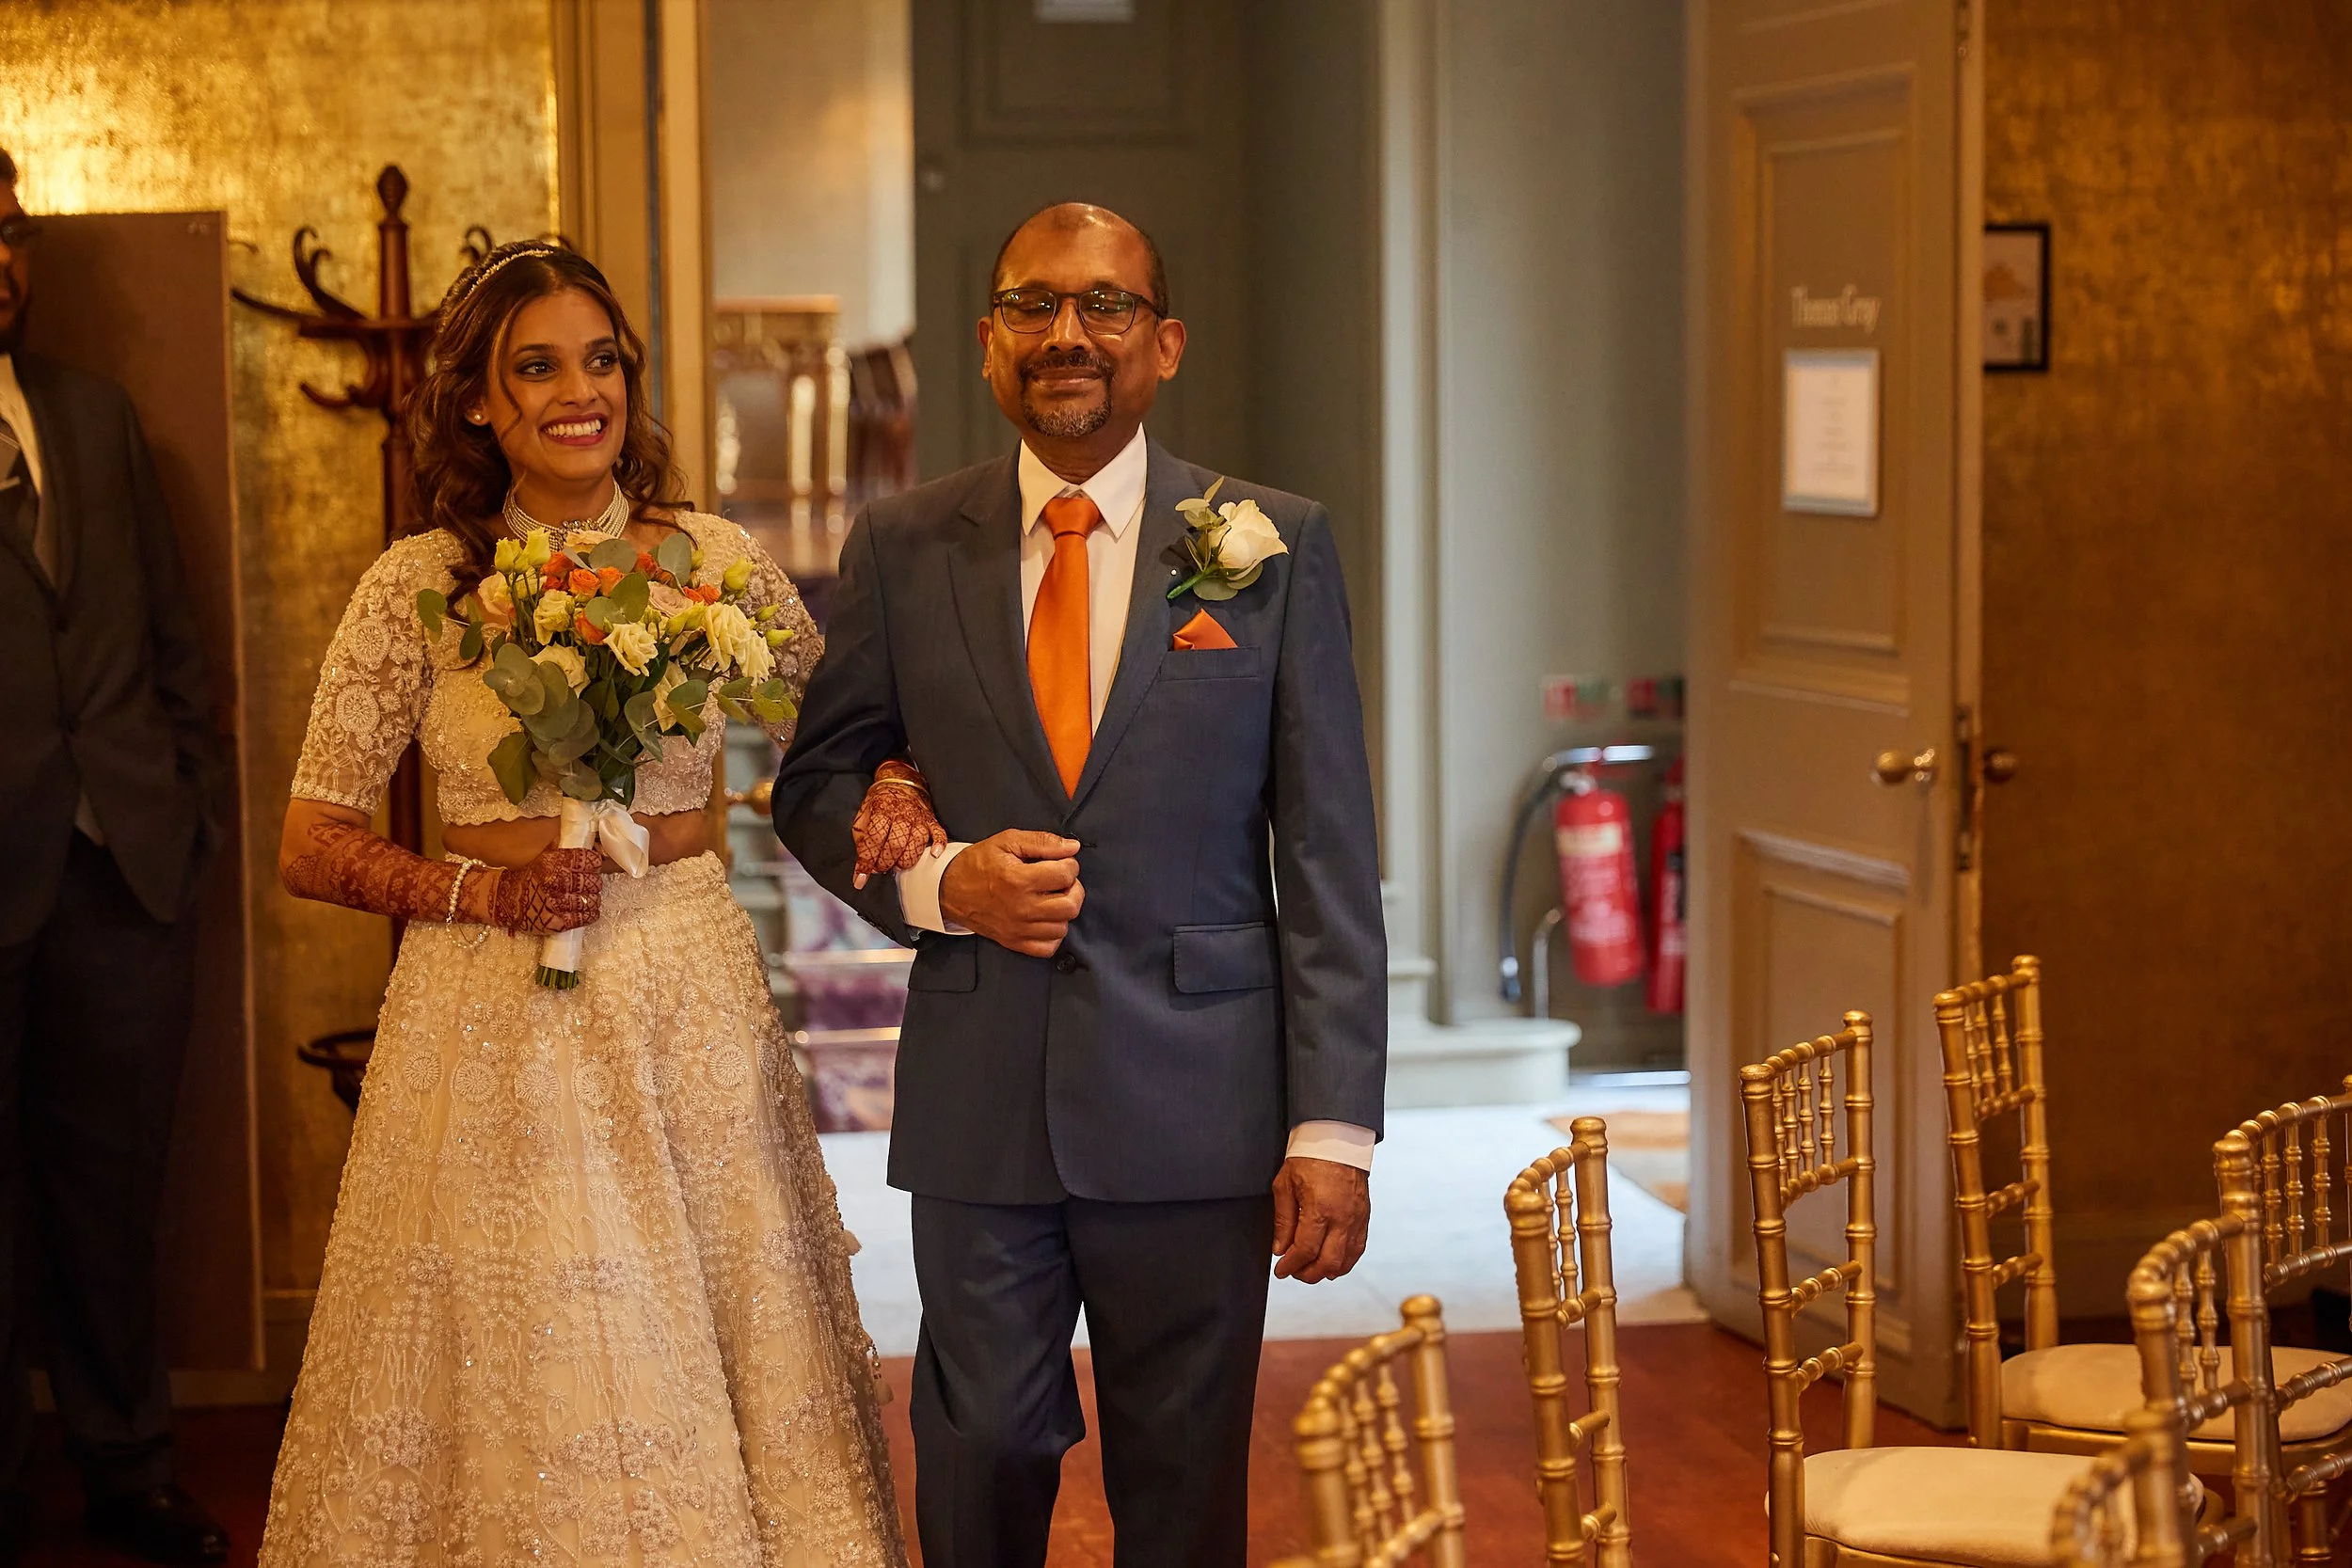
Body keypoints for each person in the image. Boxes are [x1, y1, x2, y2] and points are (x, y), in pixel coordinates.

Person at [262, 240, 931, 1568]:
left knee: (711, 1324)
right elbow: (310, 838)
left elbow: (848, 726)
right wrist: (482, 888)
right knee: (530, 1338)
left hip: (681, 982)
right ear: (479, 401)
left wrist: (899, 776)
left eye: (603, 359)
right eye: (538, 366)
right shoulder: (419, 586)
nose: (583, 391)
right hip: (485, 1008)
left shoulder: (712, 559)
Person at [774, 201, 1387, 1568]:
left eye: (1105, 306)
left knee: (1181, 1480)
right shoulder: (904, 546)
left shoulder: (1265, 544)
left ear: (1163, 344)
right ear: (989, 344)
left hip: (1201, 1099)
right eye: (1034, 306)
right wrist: (943, 884)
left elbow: (1330, 847)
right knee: (980, 1446)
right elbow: (814, 788)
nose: (1069, 334)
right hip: (985, 1092)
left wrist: (1333, 1126)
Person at [0, 149, 231, 1567]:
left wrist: (190, 806)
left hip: (124, 871)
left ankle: (129, 1468)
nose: (0, 257)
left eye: (7, 227)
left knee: (108, 1193)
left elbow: (170, 647)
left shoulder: (90, 416)